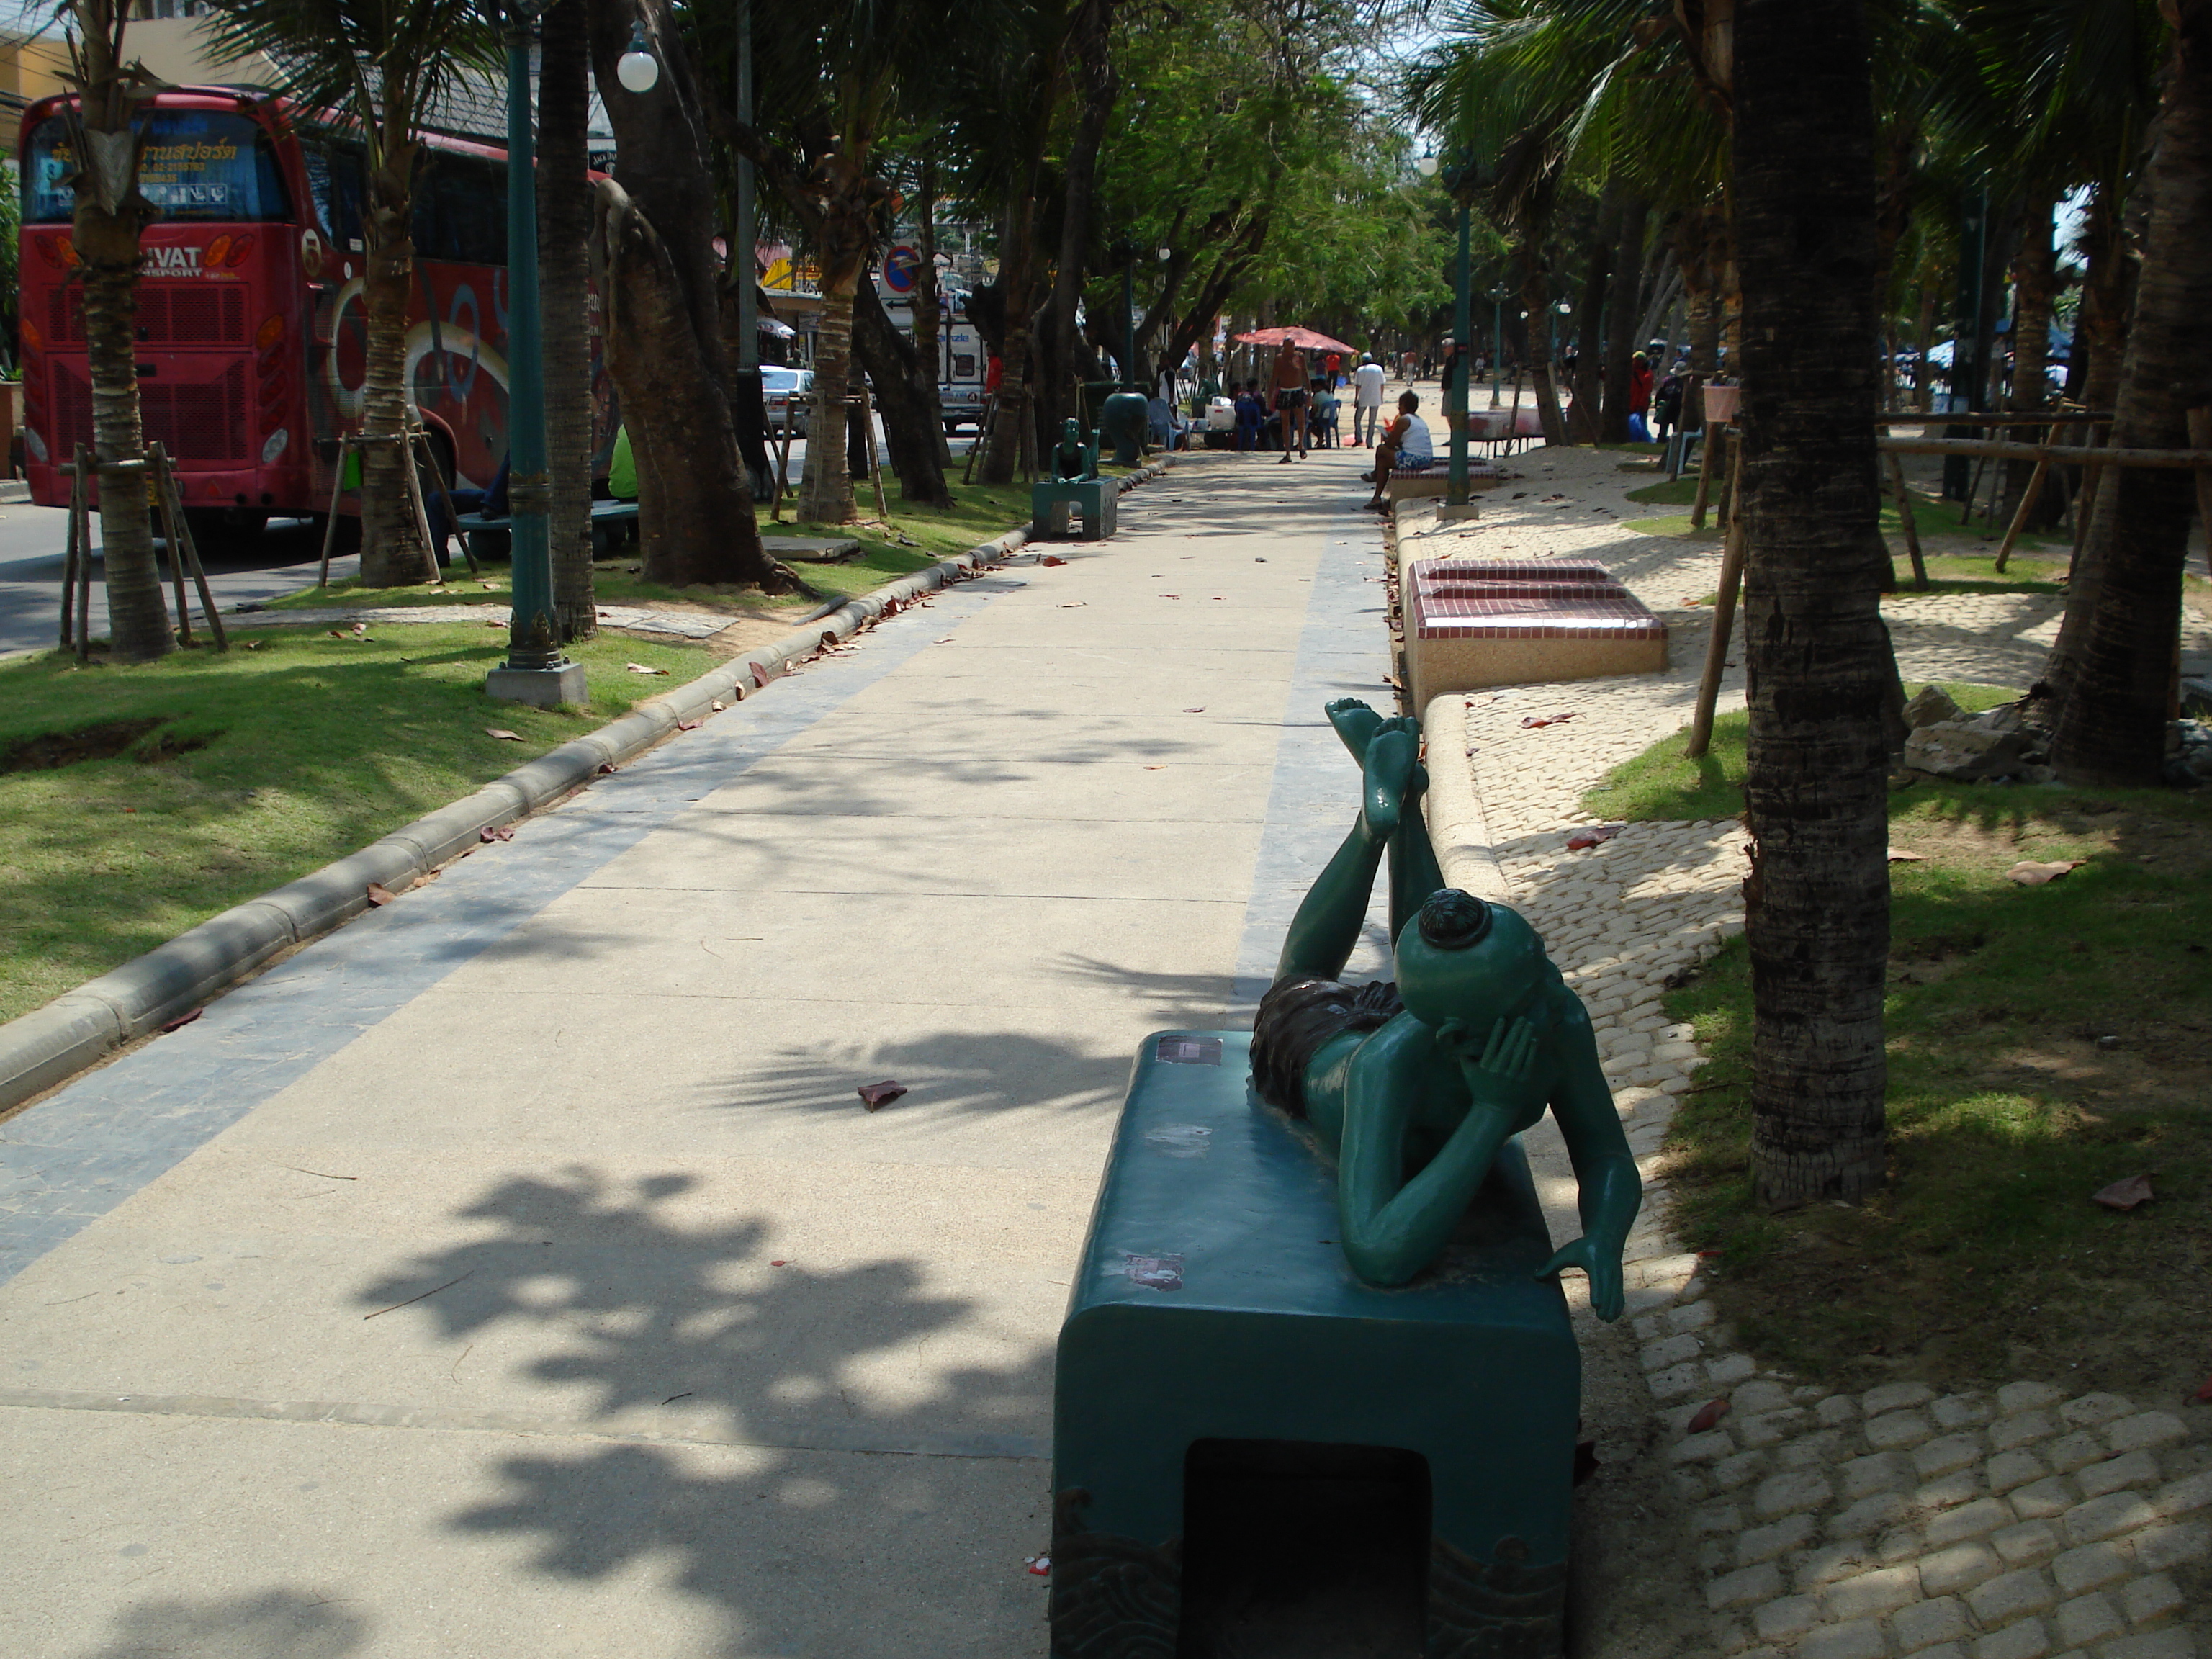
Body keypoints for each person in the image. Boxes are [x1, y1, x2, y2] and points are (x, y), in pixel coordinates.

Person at [1249, 698, 1640, 1303]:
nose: (1554, 1001)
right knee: (1297, 982)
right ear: (1457, 1037)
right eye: (1530, 996)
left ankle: (1402, 804)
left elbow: (1606, 1151)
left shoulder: (1554, 1012)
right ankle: (1375, 822)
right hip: (1324, 1055)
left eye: (1541, 974)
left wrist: (1606, 1234)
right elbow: (1378, 1254)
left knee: (1424, 946)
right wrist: (1490, 1113)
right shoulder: (1386, 1069)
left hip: (1430, 1014)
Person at [1361, 390, 1431, 511]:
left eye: (1400, 405)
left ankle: (1376, 475)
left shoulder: (1403, 420)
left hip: (1415, 459)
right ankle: (1376, 498)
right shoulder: (1419, 420)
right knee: (1383, 462)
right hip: (1427, 459)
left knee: (1381, 449)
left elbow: (1391, 444)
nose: (1398, 408)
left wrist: (1387, 438)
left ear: (1404, 406)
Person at [1270, 339, 1309, 462]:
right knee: (1285, 424)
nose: (1292, 346)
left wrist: (1309, 393)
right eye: (1289, 344)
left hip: (1297, 391)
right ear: (1284, 346)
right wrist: (1270, 395)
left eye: (1293, 344)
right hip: (1284, 391)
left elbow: (1305, 374)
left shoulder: (1299, 357)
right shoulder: (1279, 359)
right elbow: (1274, 377)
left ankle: (1301, 444)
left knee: (1301, 421)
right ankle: (1287, 453)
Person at [1351, 353, 1387, 446]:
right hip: (1376, 398)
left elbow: (1358, 386)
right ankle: (1369, 442)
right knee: (1372, 421)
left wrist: (1356, 399)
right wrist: (1381, 397)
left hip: (1364, 397)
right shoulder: (1379, 369)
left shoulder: (1360, 370)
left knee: (1357, 418)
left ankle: (1359, 438)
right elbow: (1382, 384)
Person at [1652, 363, 1685, 446]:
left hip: (1670, 407)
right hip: (1675, 407)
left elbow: (1659, 395)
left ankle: (1662, 443)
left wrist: (1658, 406)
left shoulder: (1667, 381)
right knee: (1673, 429)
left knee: (1665, 428)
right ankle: (1674, 444)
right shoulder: (1684, 383)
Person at [1627, 350, 1654, 442]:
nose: (1634, 362)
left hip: (1639, 407)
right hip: (1629, 405)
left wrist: (1641, 405)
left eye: (1637, 360)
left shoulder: (1647, 375)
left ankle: (1643, 441)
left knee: (1640, 426)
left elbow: (1646, 392)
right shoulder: (1630, 372)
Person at [1233, 381, 1266, 451]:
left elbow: (1236, 408)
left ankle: (1241, 446)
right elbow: (1263, 411)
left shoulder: (1240, 396)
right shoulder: (1257, 396)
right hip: (1254, 422)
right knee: (1266, 426)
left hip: (1241, 421)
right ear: (1255, 386)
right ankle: (1261, 445)